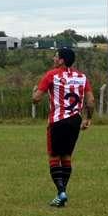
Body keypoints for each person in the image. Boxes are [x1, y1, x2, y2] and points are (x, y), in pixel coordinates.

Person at [32, 48, 94, 207]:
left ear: (61, 60)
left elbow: (36, 99)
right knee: (66, 157)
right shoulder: (82, 77)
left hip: (58, 121)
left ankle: (61, 192)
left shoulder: (51, 75)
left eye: (56, 56)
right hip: (75, 121)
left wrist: (34, 93)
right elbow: (91, 101)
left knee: (54, 157)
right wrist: (88, 118)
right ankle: (62, 194)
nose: (53, 59)